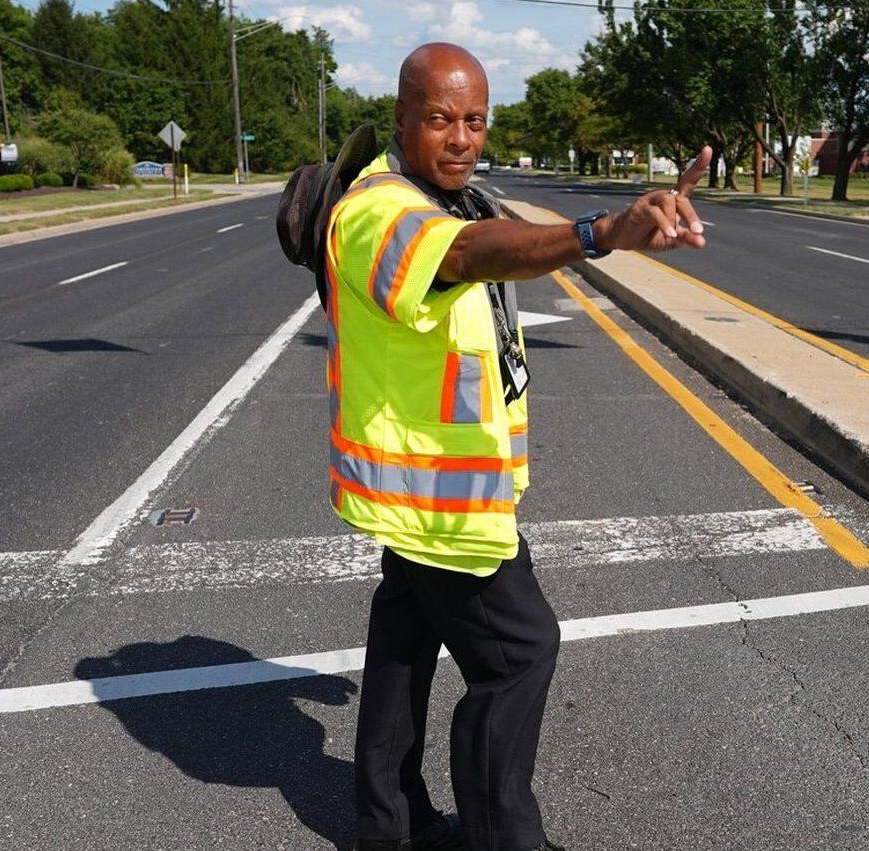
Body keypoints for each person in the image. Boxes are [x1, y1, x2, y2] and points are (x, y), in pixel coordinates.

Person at [324, 42, 710, 851]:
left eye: (474, 120)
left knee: (405, 640)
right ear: (400, 120)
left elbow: (488, 241)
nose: (462, 138)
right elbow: (466, 256)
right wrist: (601, 232)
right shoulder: (377, 212)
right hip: (439, 502)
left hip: (426, 492)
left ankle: (387, 825)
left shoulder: (452, 197)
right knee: (520, 653)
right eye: (439, 119)